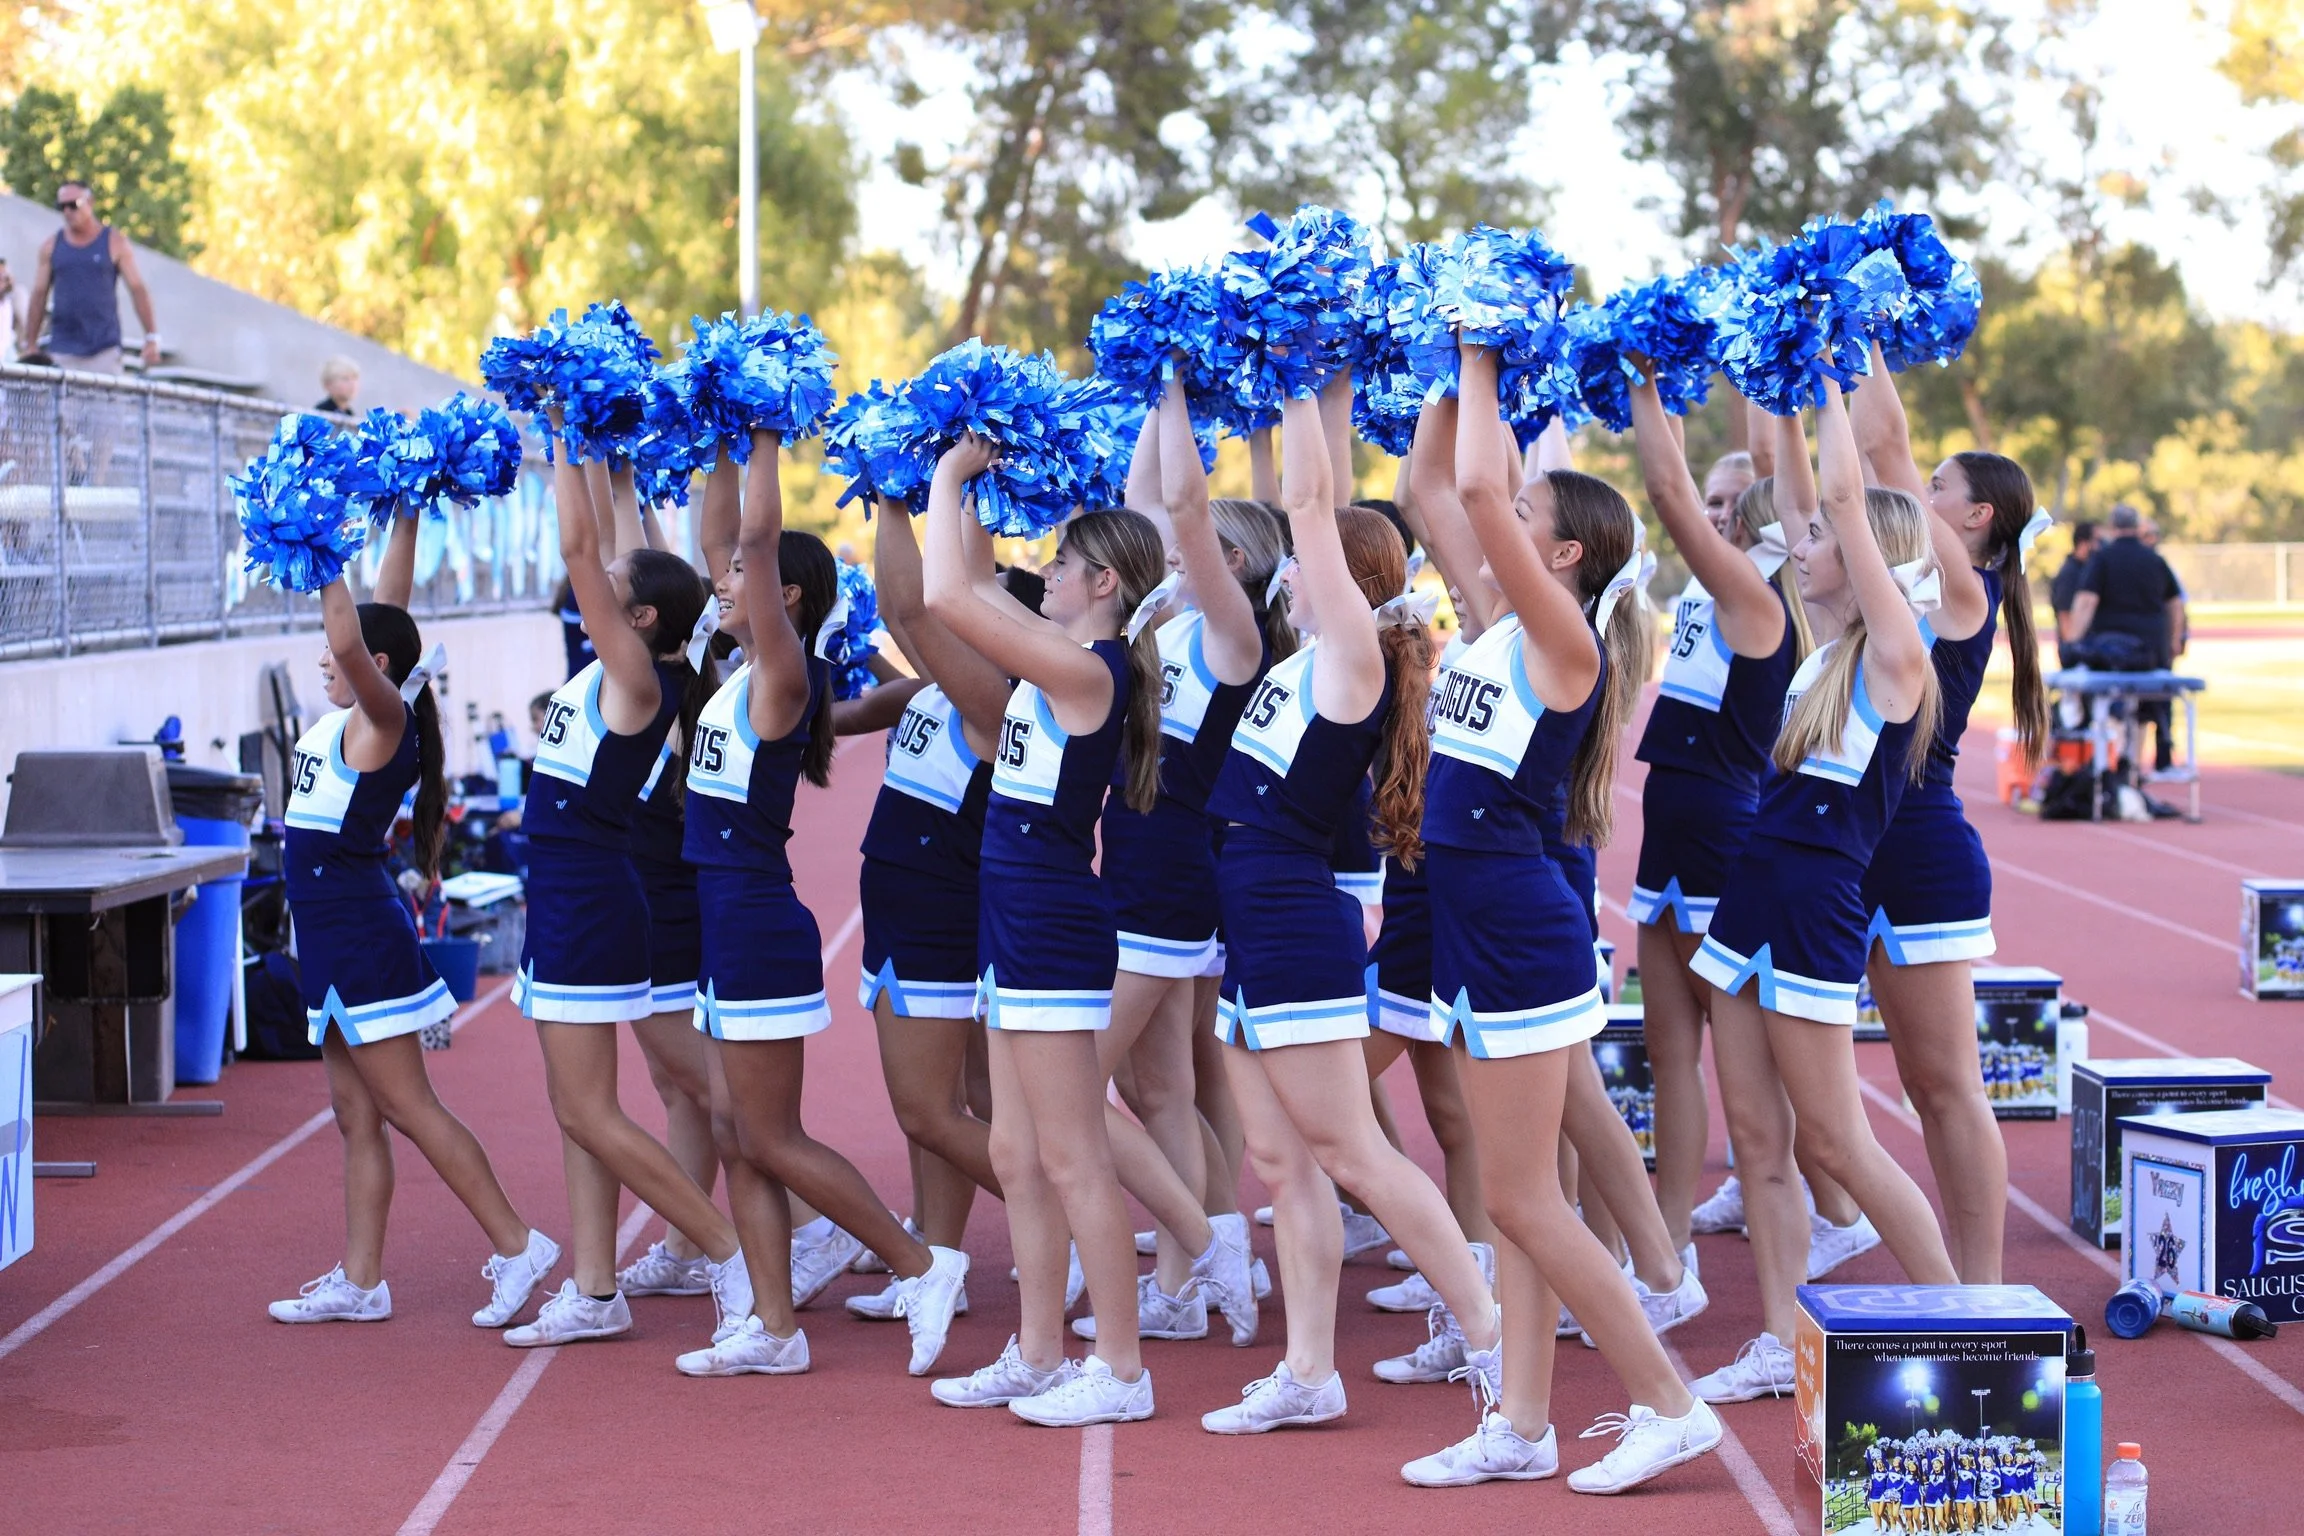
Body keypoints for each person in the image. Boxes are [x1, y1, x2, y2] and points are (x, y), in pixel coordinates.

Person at [1391, 344, 1719, 1492]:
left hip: (1520, 929)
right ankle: (1521, 1425)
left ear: (1563, 554)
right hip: (1473, 923)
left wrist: (1484, 347)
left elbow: (1478, 491)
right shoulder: (1497, 623)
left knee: (1524, 1195)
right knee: (1510, 1192)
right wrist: (1440, 373)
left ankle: (1669, 1403)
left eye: (1527, 516)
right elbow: (1434, 493)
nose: (1502, 520)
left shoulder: (1564, 643)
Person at [1197, 382, 1499, 1441]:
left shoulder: (1350, 660)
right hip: (1253, 919)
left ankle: (1491, 1336)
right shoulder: (1298, 661)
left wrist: (1305, 381)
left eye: (1302, 559)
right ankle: (1311, 1372)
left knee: (1357, 1154)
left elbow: (1311, 507)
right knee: (1281, 1163)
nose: (1286, 566)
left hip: (1288, 918)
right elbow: (1306, 518)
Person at [671, 432, 967, 1378]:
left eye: (736, 584)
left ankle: (919, 1263)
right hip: (722, 924)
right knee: (732, 1134)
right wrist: (719, 442)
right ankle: (772, 1325)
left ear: (782, 598)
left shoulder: (781, 679)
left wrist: (763, 433)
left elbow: (752, 542)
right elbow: (727, 535)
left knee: (769, 1133)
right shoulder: (732, 678)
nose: (716, 588)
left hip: (757, 925)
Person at [1687, 378, 1959, 1405]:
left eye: (1813, 535)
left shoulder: (1897, 658)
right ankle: (1776, 1336)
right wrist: (1788, 400)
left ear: (1866, 555)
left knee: (1838, 1138)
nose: (1795, 542)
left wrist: (1836, 372)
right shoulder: (1820, 657)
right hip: (1747, 897)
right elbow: (1817, 492)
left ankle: (1963, 1324)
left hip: (1813, 908)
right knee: (1757, 1142)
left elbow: (1843, 496)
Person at [921, 436, 1166, 1427]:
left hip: (1055, 927)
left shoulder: (1089, 672)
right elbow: (967, 575)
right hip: (1013, 919)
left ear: (1103, 582)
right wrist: (969, 476)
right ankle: (1034, 1352)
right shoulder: (1064, 659)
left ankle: (1120, 1367)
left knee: (1072, 1156)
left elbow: (948, 598)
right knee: (1018, 1154)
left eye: (1063, 562)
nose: (1048, 573)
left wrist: (945, 480)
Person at [267, 511, 559, 1328]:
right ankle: (362, 1282)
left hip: (360, 936)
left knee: (409, 1105)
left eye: (339, 652)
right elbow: (385, 615)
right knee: (355, 1114)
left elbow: (360, 635)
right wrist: (407, 515)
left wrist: (320, 549)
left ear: (374, 665)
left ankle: (516, 1244)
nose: (326, 657)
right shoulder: (355, 714)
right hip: (324, 938)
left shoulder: (382, 724)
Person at [504, 416, 752, 1354]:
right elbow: (612, 547)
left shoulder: (637, 679)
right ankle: (596, 1285)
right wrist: (608, 458)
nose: (596, 588)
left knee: (588, 1110)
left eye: (612, 595)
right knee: (581, 1111)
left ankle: (728, 1253)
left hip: (588, 897)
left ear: (640, 620)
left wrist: (562, 428)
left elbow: (579, 549)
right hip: (570, 892)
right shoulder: (636, 658)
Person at [1850, 351, 2045, 1284]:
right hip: (1845, 846)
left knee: (1942, 1085)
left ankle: (1982, 1292)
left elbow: (1883, 442)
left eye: (1938, 489)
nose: (1919, 494)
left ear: (1977, 518)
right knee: (1854, 1091)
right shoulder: (1907, 582)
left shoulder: (1965, 592)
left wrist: (1864, 336)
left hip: (1918, 851)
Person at [1622, 381, 1809, 1257]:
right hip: (1670, 824)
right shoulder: (1720, 592)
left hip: (1719, 829)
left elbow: (1672, 492)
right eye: (1714, 502)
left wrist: (1646, 387)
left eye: (1733, 502)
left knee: (1751, 1066)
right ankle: (1670, 1250)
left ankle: (1822, 1210)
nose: (1714, 513)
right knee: (1668, 1054)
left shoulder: (1762, 602)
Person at [2068, 503, 2185, 769]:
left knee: (2109, 705)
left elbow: (2086, 601)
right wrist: (2174, 639)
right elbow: (2175, 603)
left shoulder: (2102, 559)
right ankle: (2141, 761)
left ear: (2113, 527)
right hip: (2152, 650)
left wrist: (2074, 643)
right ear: (2137, 527)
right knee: (2149, 708)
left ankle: (2111, 767)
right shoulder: (2155, 559)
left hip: (2114, 652)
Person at [19, 181, 162, 374]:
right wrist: (31, 343)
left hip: (104, 351)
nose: (68, 211)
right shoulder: (51, 246)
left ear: (90, 202)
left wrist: (151, 337)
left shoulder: (115, 242)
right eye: (62, 206)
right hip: (63, 351)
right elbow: (39, 295)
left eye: (74, 204)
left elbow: (137, 289)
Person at [2050, 520, 2096, 648]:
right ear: (2083, 543)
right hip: (2077, 650)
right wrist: (2072, 647)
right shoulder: (2070, 573)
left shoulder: (2086, 569)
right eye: (2096, 540)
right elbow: (2065, 614)